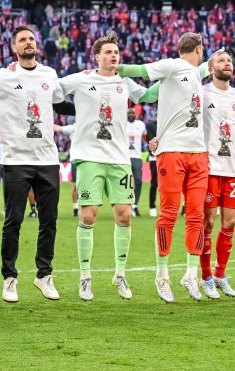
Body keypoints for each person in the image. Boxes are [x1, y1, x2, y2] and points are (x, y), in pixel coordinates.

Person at [59, 32, 160, 300]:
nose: (113, 56)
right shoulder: (82, 79)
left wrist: (172, 78)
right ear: (96, 56)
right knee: (88, 215)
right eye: (107, 52)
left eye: (116, 52)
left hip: (119, 158)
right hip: (89, 157)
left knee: (125, 216)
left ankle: (120, 275)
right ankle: (85, 277)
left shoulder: (124, 81)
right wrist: (21, 71)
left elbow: (148, 96)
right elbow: (51, 88)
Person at [117, 32, 211, 302]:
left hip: (198, 152)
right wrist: (116, 70)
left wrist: (220, 59)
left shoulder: (195, 73)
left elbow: (147, 96)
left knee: (196, 215)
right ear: (198, 48)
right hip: (172, 151)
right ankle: (162, 276)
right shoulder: (172, 65)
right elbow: (143, 73)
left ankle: (190, 276)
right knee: (169, 214)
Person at [0, 25, 74, 303]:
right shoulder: (3, 76)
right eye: (22, 40)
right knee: (13, 221)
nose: (28, 42)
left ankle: (44, 275)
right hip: (16, 159)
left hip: (47, 158)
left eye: (31, 39)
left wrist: (90, 105)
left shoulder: (49, 74)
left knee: (49, 221)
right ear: (14, 48)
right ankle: (9, 278)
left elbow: (60, 105)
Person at [200, 49, 235, 299]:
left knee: (230, 222)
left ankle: (220, 274)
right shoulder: (203, 93)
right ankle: (205, 276)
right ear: (210, 67)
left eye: (229, 60)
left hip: (232, 169)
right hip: (209, 169)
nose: (227, 63)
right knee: (208, 223)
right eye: (221, 60)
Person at [126, 108, 147, 217]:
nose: (130, 114)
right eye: (129, 113)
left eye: (132, 113)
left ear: (136, 114)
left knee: (138, 181)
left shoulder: (141, 124)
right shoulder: (122, 124)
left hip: (137, 157)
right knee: (125, 183)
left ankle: (134, 205)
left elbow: (145, 136)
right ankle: (125, 205)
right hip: (124, 157)